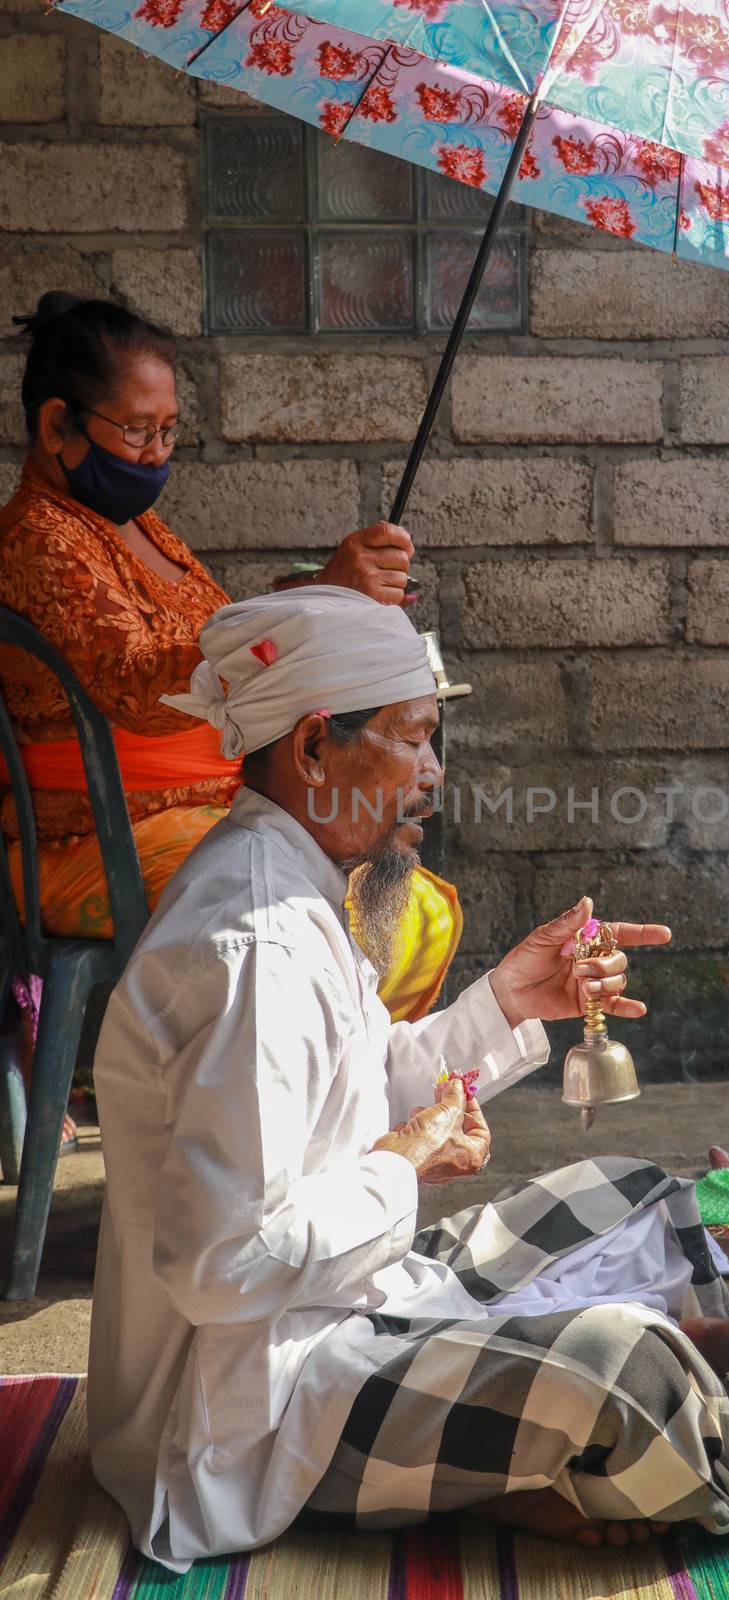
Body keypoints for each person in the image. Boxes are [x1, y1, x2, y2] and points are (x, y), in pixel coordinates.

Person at [87, 586, 729, 1571]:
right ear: (315, 747)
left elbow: (367, 1081)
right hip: (257, 1411)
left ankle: (522, 1442)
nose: (432, 774)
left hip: (353, 1302)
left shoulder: (299, 886)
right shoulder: (254, 943)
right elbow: (220, 1266)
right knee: (634, 1371)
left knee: (644, 1197)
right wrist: (401, 1168)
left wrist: (508, 1001)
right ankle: (541, 1446)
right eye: (412, 740)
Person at [0, 293, 458, 1142]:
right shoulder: (37, 540)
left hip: (209, 813)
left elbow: (221, 640)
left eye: (170, 432)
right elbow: (141, 685)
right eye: (137, 432)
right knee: (364, 913)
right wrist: (320, 596)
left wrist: (321, 608)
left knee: (405, 893)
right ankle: (268, 1139)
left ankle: (312, 1119)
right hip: (92, 845)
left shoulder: (138, 526)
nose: (156, 452)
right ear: (57, 424)